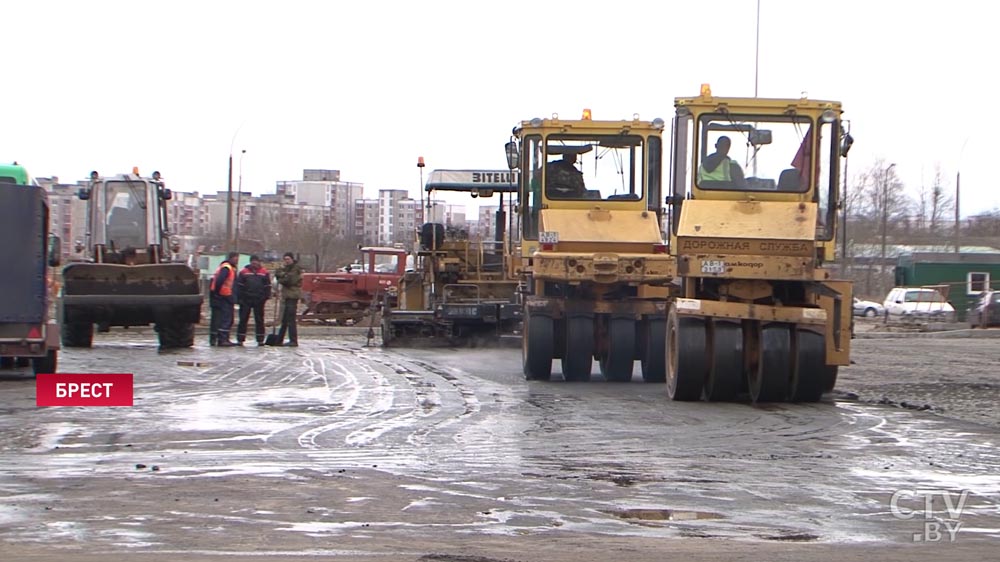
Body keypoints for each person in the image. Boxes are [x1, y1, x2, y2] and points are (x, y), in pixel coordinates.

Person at [235, 255, 272, 346]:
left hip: (259, 300)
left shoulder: (264, 272)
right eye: (253, 261)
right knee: (243, 319)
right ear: (250, 262)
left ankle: (260, 339)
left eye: (256, 261)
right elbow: (239, 286)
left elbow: (267, 286)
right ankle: (240, 339)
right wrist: (239, 299)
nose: (254, 263)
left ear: (259, 262)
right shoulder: (243, 272)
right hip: (246, 299)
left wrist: (265, 297)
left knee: (259, 320)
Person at [209, 251, 239, 347]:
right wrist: (218, 293)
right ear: (231, 258)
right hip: (225, 296)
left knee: (221, 318)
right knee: (226, 319)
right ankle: (223, 339)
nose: (237, 260)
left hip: (223, 295)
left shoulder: (226, 267)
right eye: (235, 258)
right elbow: (220, 281)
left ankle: (220, 338)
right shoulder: (227, 268)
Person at [274, 252, 303, 347]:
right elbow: (278, 273)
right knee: (285, 319)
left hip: (292, 296)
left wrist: (281, 278)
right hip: (286, 295)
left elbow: (290, 280)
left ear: (292, 259)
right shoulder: (286, 269)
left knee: (291, 319)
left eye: (288, 259)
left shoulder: (296, 269)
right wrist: (283, 276)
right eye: (285, 259)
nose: (286, 261)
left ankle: (293, 340)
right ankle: (279, 339)